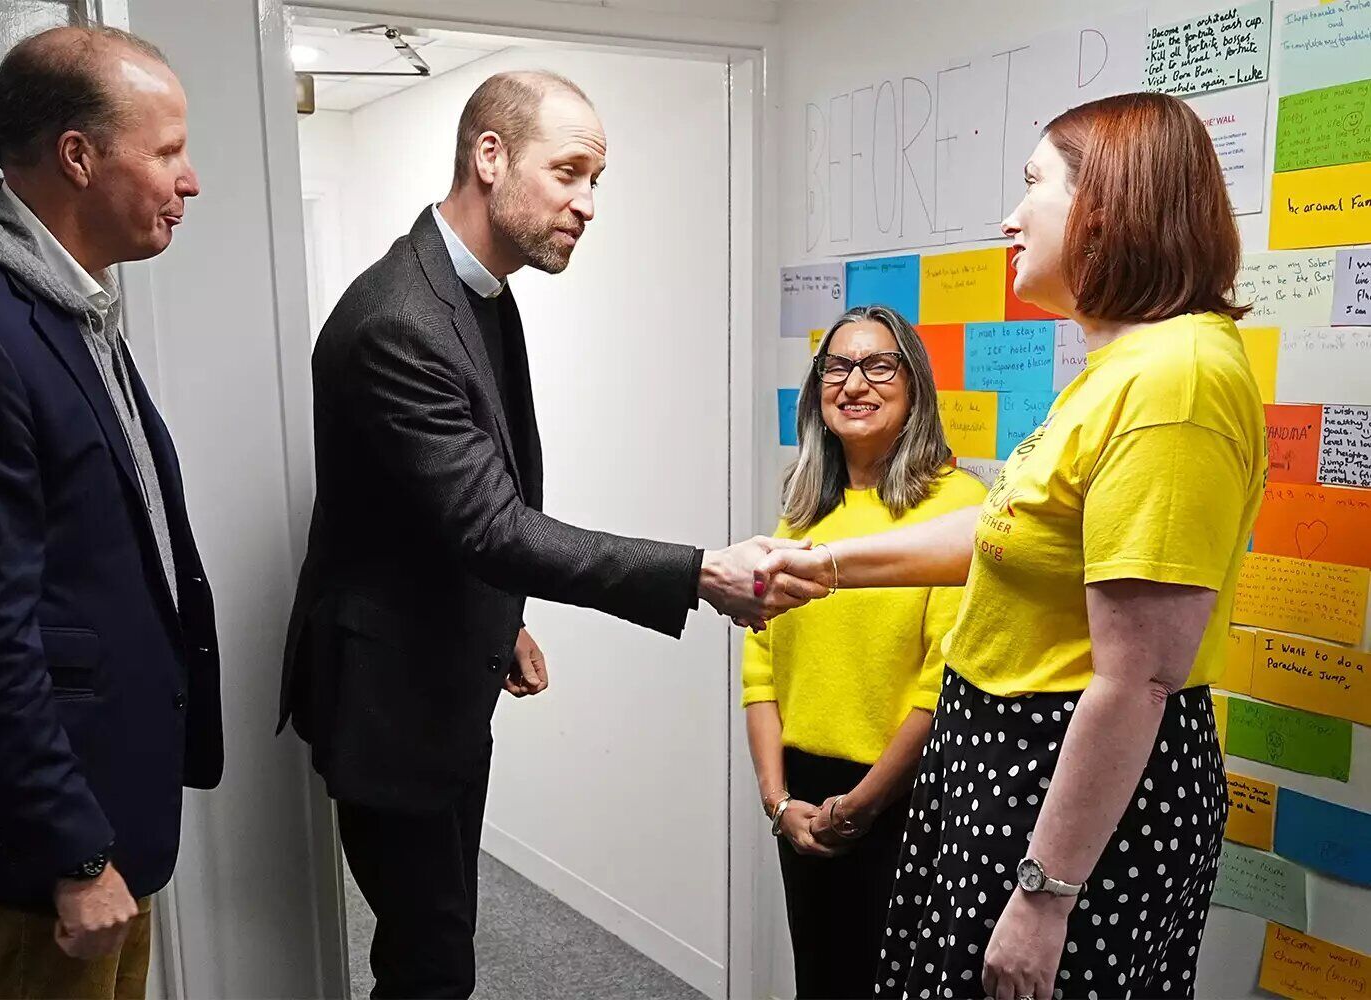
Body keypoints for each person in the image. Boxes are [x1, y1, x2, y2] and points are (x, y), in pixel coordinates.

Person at [278, 70, 792, 999]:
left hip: (445, 665)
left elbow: (452, 502)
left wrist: (500, 619)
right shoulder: (400, 319)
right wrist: (700, 572)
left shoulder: (479, 289)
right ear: (490, 156)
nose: (587, 204)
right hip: (390, 700)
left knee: (441, 940)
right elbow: (488, 522)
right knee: (428, 962)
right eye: (570, 173)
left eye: (597, 180)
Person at [754, 91, 1265, 1000]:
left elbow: (1137, 677)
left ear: (1107, 207)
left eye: (1034, 184)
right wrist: (819, 565)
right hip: (1006, 770)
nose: (1009, 215)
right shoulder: (1121, 367)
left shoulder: (1175, 381)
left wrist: (1045, 894)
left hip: (1062, 792)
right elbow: (1006, 534)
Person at [0, 26, 219, 1000]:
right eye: (166, 151)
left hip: (105, 811)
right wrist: (71, 850)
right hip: (44, 847)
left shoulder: (65, 303)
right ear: (79, 155)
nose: (188, 180)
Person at [743, 305, 986, 999]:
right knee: (820, 981)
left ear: (915, 388)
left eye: (879, 365)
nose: (855, 384)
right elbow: (761, 666)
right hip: (803, 793)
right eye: (837, 368)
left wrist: (861, 806)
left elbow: (943, 688)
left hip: (904, 799)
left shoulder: (956, 509)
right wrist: (778, 800)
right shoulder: (802, 510)